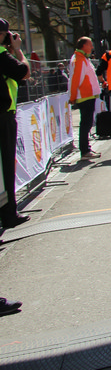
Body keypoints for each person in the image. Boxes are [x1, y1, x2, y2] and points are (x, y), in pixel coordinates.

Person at [1, 18, 31, 229]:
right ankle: (9, 214)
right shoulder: (2, 55)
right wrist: (18, 50)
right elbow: (25, 72)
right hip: (4, 116)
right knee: (6, 165)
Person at [67, 36, 102, 160]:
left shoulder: (82, 58)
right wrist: (72, 96)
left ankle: (86, 149)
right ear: (84, 46)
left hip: (86, 95)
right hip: (84, 96)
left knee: (86, 123)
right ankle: (85, 150)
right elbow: (75, 80)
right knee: (86, 123)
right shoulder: (79, 59)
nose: (92, 47)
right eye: (90, 44)